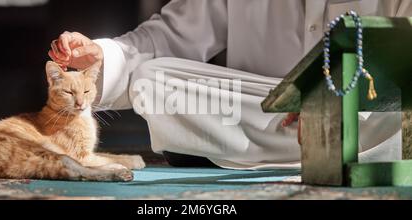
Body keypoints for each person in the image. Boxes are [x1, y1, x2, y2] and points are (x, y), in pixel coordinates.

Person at [48, 0, 412, 170]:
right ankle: (299, 148)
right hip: (263, 107)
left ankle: (247, 149)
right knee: (153, 79)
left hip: (367, 117)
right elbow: (166, 39)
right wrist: (102, 58)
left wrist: (336, 100)